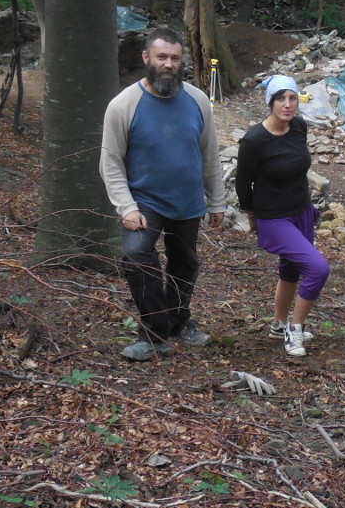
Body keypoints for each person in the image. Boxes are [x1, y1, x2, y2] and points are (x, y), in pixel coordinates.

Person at [100, 27, 226, 362]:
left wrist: (217, 201)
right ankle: (153, 334)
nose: (168, 64)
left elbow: (209, 154)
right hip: (144, 201)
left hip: (187, 201)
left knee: (185, 263)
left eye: (174, 57)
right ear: (146, 58)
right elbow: (110, 162)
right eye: (161, 57)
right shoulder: (123, 105)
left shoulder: (198, 101)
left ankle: (178, 319)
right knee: (138, 257)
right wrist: (125, 207)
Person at [235, 74, 330, 357]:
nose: (287, 105)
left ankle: (278, 324)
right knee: (318, 268)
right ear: (270, 101)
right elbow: (242, 184)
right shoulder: (254, 140)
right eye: (280, 98)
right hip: (273, 217)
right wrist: (252, 214)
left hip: (301, 211)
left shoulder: (298, 126)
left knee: (291, 268)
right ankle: (295, 328)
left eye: (292, 98)